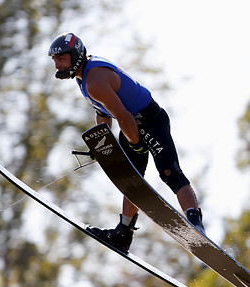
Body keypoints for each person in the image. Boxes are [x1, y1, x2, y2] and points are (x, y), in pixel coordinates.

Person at [48, 32, 205, 253]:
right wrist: (100, 144)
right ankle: (123, 233)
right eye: (54, 60)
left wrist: (136, 143)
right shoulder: (82, 79)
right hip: (130, 125)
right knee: (131, 181)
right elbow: (103, 113)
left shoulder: (94, 80)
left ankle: (195, 222)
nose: (56, 65)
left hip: (150, 121)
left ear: (75, 56)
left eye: (60, 59)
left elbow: (123, 116)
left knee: (170, 173)